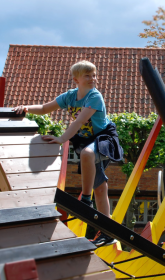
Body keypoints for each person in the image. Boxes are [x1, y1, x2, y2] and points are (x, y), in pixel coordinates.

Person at [14, 60, 123, 246]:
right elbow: (44, 108)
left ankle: (86, 200)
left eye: (94, 75)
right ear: (76, 80)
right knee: (100, 186)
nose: (92, 78)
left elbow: (79, 122)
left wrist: (62, 139)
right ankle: (108, 231)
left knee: (87, 154)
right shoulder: (70, 96)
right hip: (86, 141)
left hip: (103, 139)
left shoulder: (95, 97)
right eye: (87, 76)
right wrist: (26, 108)